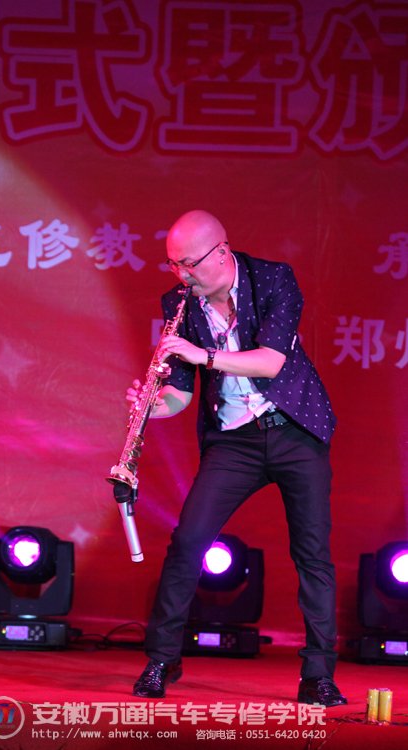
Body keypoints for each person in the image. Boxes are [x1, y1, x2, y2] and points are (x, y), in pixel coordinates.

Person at [127, 209, 347, 707]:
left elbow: (271, 361)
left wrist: (202, 356)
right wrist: (150, 406)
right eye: (174, 265)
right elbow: (181, 394)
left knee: (312, 553)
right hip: (233, 442)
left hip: (295, 430)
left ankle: (318, 675)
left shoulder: (273, 280)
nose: (182, 275)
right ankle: (162, 660)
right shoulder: (179, 303)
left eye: (189, 264)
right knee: (188, 542)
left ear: (221, 252)